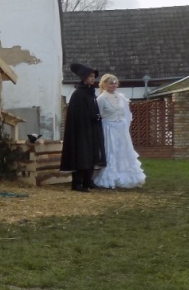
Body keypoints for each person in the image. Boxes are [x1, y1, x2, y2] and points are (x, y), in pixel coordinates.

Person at [60, 62, 106, 193]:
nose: (93, 79)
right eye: (90, 76)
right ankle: (77, 183)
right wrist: (91, 117)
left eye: (93, 76)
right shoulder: (78, 94)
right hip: (81, 132)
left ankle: (88, 181)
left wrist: (96, 117)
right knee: (81, 155)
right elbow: (78, 115)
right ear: (84, 78)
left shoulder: (90, 92)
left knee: (91, 154)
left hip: (91, 130)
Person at [93, 74, 145, 189]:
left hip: (121, 129)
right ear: (104, 84)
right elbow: (98, 116)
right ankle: (110, 177)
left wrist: (125, 126)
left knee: (123, 151)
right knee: (111, 151)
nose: (113, 85)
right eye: (111, 83)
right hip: (108, 129)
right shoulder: (101, 99)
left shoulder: (121, 97)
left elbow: (126, 114)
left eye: (115, 83)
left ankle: (126, 177)